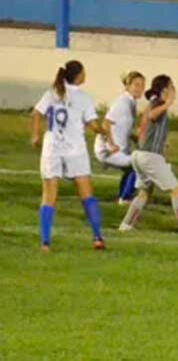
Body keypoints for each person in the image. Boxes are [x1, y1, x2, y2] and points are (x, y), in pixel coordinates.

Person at [30, 60, 108, 251]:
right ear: (79, 76)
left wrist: (35, 135)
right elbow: (92, 125)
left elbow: (35, 113)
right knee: (86, 194)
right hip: (75, 151)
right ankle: (97, 237)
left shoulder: (52, 93)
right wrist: (104, 131)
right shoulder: (83, 98)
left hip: (52, 150)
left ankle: (45, 243)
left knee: (48, 197)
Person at [118, 75, 178, 236]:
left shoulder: (152, 104)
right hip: (149, 156)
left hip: (140, 154)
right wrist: (168, 103)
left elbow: (143, 129)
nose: (174, 90)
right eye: (171, 87)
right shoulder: (158, 104)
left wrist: (159, 143)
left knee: (144, 192)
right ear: (164, 90)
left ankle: (126, 225)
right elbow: (152, 115)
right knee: (176, 190)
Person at [94, 71, 145, 206]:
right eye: (136, 85)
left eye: (142, 85)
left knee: (133, 165)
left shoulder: (131, 102)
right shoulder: (122, 102)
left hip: (116, 149)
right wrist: (110, 145)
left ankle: (123, 196)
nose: (140, 88)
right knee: (139, 163)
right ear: (128, 86)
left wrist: (138, 140)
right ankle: (125, 197)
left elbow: (123, 128)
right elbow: (106, 123)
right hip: (108, 149)